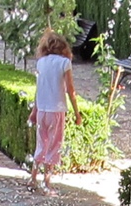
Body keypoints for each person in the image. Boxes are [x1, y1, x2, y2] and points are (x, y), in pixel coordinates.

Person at [28, 29, 82, 196]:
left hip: (42, 110)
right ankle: (47, 183)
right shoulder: (64, 63)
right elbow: (70, 90)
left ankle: (32, 178)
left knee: (41, 144)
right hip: (56, 111)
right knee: (54, 146)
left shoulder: (41, 62)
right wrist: (77, 113)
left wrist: (34, 111)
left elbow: (39, 89)